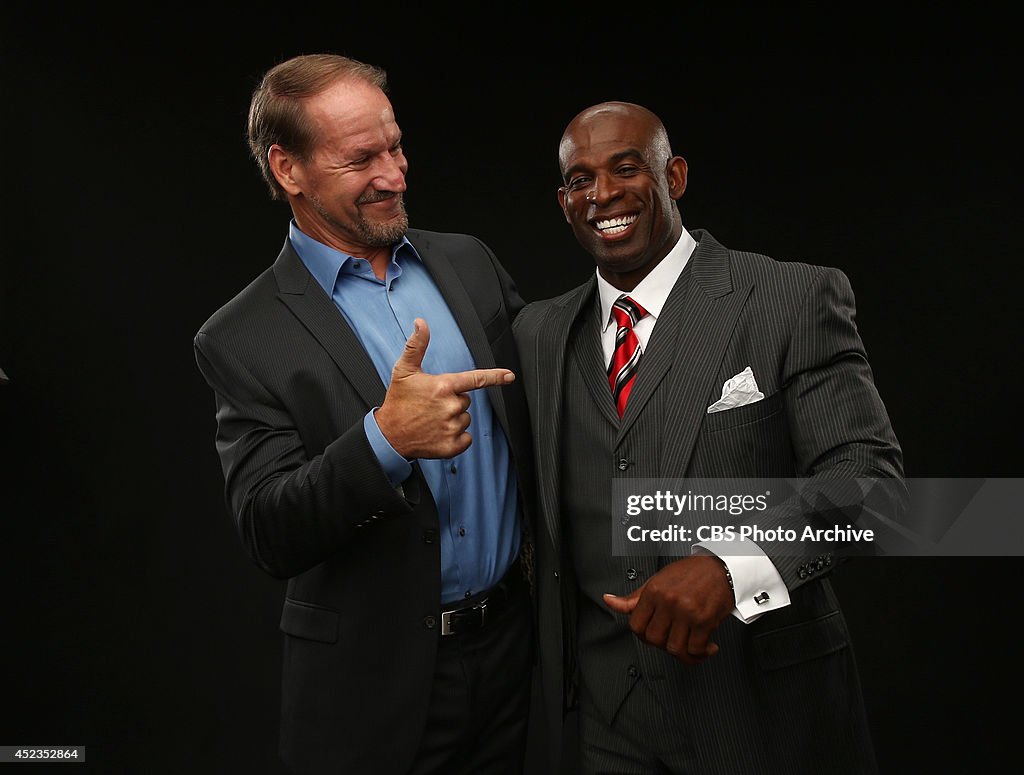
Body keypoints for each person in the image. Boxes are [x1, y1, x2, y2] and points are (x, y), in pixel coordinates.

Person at [512, 101, 906, 774]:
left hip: (763, 715)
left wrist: (734, 564)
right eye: (580, 179)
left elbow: (870, 484)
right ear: (563, 200)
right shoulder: (538, 334)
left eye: (626, 167)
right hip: (604, 724)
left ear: (676, 176)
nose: (602, 193)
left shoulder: (787, 296)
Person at [193, 54, 536, 775]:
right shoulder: (242, 336)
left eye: (396, 145)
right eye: (361, 159)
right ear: (288, 169)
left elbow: (555, 417)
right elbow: (269, 529)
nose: (396, 174)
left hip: (519, 656)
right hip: (378, 691)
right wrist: (384, 439)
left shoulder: (469, 263)